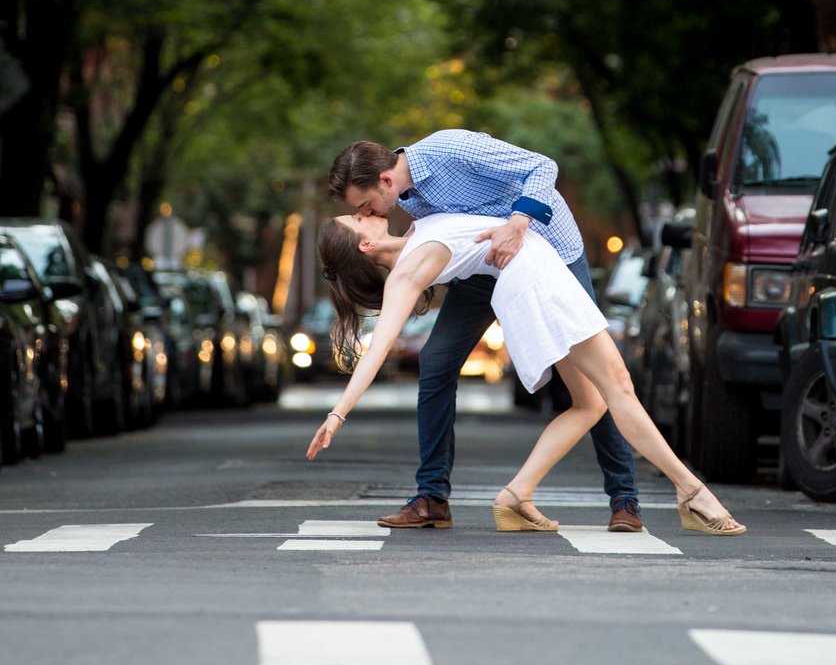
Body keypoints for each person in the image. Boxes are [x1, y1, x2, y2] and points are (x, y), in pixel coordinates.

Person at [306, 209, 745, 537]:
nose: (366, 211)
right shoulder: (407, 272)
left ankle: (517, 494)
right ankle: (691, 491)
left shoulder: (418, 227)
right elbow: (379, 347)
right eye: (357, 219)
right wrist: (338, 413)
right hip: (537, 284)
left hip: (538, 276)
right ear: (364, 246)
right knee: (619, 388)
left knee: (591, 402)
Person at [328, 130, 644, 532]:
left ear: (384, 181)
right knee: (436, 361)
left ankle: (624, 499)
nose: (371, 215)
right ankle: (432, 497)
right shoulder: (406, 198)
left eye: (366, 205)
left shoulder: (450, 148)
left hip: (549, 259)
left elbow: (542, 167)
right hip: (485, 271)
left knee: (593, 380)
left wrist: (516, 223)